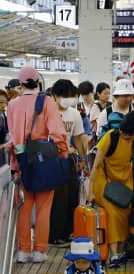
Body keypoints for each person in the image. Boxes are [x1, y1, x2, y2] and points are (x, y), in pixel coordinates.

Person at [7, 66, 68, 263]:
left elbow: (12, 136)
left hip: (20, 162)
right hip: (43, 162)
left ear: (20, 84)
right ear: (37, 82)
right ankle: (40, 250)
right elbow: (58, 133)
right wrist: (62, 154)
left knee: (24, 208)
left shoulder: (12, 105)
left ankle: (23, 250)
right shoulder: (46, 102)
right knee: (43, 208)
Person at [87, 110, 134, 266]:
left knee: (127, 212)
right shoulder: (111, 137)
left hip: (124, 180)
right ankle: (113, 254)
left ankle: (120, 251)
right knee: (113, 212)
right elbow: (96, 165)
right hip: (104, 180)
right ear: (133, 127)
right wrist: (90, 191)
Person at [49, 79, 87, 247]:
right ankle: (54, 235)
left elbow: (78, 137)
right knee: (58, 199)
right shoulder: (46, 112)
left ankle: (67, 232)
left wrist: (82, 158)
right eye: (64, 96)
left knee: (72, 195)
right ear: (54, 96)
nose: (68, 99)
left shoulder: (74, 113)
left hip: (69, 159)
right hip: (50, 161)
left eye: (71, 96)